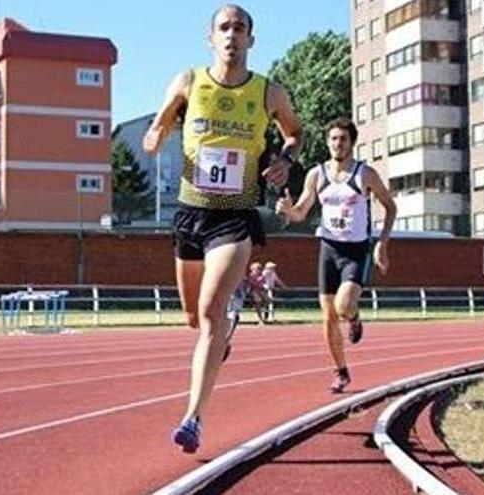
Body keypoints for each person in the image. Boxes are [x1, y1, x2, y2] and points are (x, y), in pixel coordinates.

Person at [142, 4, 303, 454]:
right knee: (194, 318)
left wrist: (283, 161)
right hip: (191, 214)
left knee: (212, 314)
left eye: (240, 28)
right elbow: (160, 121)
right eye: (224, 27)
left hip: (236, 216)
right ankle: (217, 335)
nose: (232, 34)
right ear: (210, 37)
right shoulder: (190, 81)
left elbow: (294, 133)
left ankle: (192, 418)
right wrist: (154, 138)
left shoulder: (268, 91)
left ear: (252, 39)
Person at [275, 117, 396, 394]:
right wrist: (287, 209)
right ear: (328, 142)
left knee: (343, 307)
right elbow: (301, 213)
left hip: (356, 250)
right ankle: (341, 371)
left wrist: (382, 244)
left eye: (342, 139)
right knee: (328, 315)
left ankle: (353, 319)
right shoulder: (316, 175)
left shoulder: (365, 174)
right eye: (333, 139)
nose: (337, 144)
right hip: (328, 248)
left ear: (352, 143)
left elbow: (390, 207)